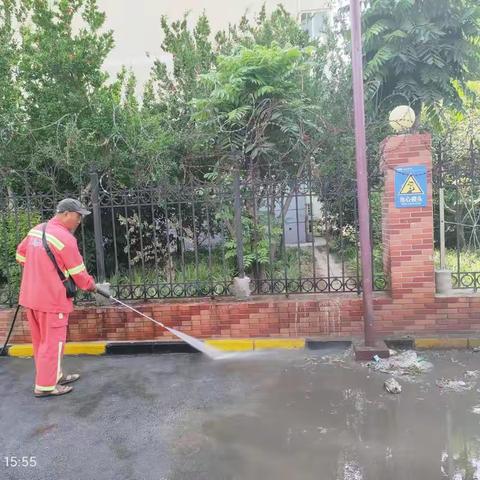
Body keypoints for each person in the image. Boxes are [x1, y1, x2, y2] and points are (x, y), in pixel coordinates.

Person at [15, 198, 98, 398]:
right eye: (78, 216)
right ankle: (45, 386)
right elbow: (78, 274)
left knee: (41, 342)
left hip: (30, 297)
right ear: (66, 214)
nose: (79, 221)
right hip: (51, 300)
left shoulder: (37, 230)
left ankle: (54, 375)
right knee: (53, 342)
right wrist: (91, 285)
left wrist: (38, 272)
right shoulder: (65, 239)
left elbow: (20, 255)